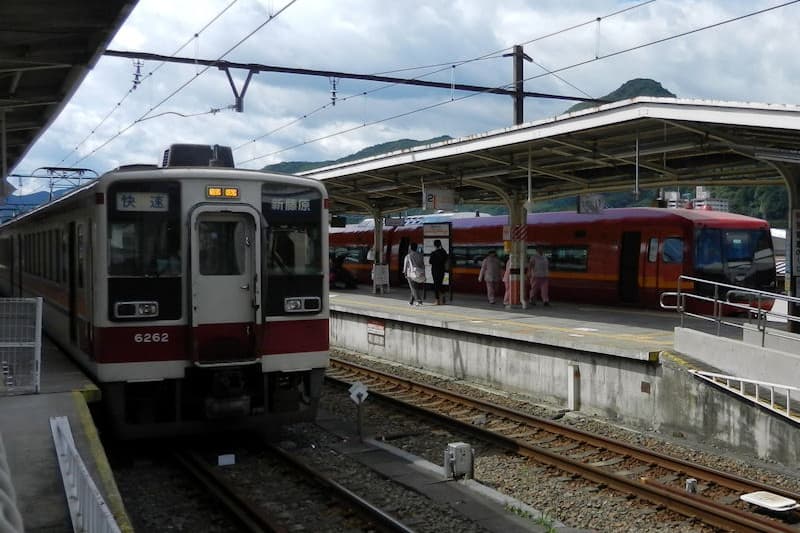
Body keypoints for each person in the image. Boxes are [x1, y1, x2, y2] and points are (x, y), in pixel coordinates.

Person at [429, 239, 449, 305]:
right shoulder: (444, 252)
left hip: (435, 270)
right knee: (440, 283)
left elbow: (430, 262)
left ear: (434, 245)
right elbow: (446, 259)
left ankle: (437, 300)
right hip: (442, 270)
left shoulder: (433, 253)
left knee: (436, 285)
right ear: (440, 244)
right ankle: (443, 295)